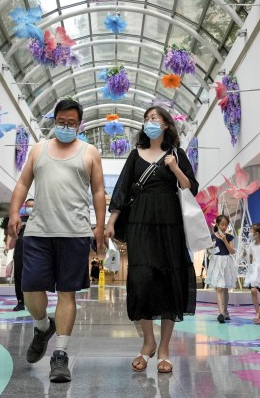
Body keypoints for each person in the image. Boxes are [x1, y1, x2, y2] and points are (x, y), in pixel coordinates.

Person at [7, 99, 106, 384]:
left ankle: (60, 354)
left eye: (71, 123)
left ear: (79, 124)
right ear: (55, 120)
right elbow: (23, 183)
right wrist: (14, 211)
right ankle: (42, 326)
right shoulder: (39, 149)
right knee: (30, 288)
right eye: (61, 122)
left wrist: (98, 227)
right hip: (38, 231)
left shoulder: (89, 152)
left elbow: (99, 191)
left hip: (74, 232)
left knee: (67, 293)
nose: (65, 127)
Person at [105, 106, 198, 374]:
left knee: (169, 281)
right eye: (147, 120)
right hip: (140, 222)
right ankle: (148, 342)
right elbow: (121, 190)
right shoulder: (135, 155)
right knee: (142, 279)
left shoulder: (177, 154)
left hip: (170, 223)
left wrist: (175, 168)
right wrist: (111, 222)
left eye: (154, 119)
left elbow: (190, 186)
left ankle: (165, 349)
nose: (149, 123)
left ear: (167, 125)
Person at [1, 198, 34, 311]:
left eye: (32, 206)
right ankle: (20, 302)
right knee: (19, 276)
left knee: (33, 277)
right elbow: (11, 232)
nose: (30, 208)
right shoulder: (20, 219)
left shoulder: (38, 219)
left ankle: (33, 302)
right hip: (20, 252)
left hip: (34, 253)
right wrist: (7, 245)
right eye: (28, 206)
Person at [205, 214, 236, 324]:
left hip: (226, 262)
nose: (224, 227)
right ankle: (221, 313)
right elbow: (209, 251)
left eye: (226, 225)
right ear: (217, 224)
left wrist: (225, 241)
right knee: (218, 288)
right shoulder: (212, 236)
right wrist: (212, 248)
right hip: (216, 262)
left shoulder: (229, 237)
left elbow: (232, 251)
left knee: (225, 288)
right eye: (222, 224)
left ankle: (226, 310)